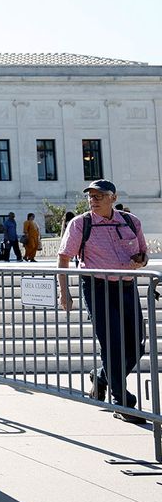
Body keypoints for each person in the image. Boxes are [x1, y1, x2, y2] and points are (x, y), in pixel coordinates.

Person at [58, 180, 149, 423]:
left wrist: (141, 260)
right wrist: (64, 292)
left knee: (136, 345)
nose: (93, 200)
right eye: (91, 196)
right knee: (112, 343)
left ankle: (101, 377)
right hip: (97, 287)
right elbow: (64, 257)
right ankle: (121, 402)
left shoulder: (131, 222)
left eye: (99, 196)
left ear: (113, 197)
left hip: (127, 287)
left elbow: (144, 254)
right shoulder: (81, 224)